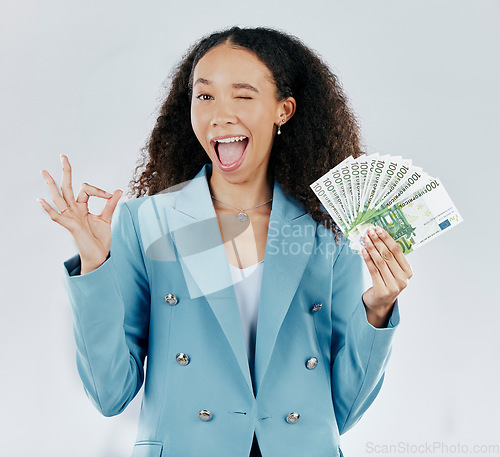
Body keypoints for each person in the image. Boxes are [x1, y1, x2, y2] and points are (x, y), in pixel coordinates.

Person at [38, 26, 412, 457]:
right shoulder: (149, 222)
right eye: (205, 95)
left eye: (243, 94)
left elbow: (342, 411)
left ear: (283, 110)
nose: (220, 114)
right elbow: (110, 394)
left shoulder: (324, 229)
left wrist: (379, 309)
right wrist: (94, 263)